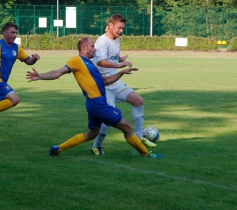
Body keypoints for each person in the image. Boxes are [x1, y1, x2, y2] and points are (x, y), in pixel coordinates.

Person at [26, 37, 162, 158]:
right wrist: (40, 76)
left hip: (94, 104)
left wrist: (122, 73)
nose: (95, 49)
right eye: (92, 46)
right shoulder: (77, 60)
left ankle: (57, 149)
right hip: (98, 104)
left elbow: (106, 81)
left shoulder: (90, 64)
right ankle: (146, 154)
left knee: (91, 135)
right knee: (126, 127)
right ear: (84, 48)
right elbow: (58, 72)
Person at [91, 14, 155, 155]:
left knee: (138, 101)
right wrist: (120, 64)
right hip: (105, 85)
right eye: (119, 28)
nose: (121, 31)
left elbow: (111, 56)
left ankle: (138, 138)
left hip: (116, 82)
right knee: (108, 119)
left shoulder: (116, 40)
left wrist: (120, 58)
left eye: (123, 28)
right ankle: (96, 145)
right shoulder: (102, 41)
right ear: (111, 25)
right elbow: (101, 61)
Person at [0, 22, 40, 130]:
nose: (15, 35)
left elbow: (28, 61)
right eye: (12, 32)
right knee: (14, 99)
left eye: (16, 33)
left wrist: (34, 58)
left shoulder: (17, 48)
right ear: (5, 33)